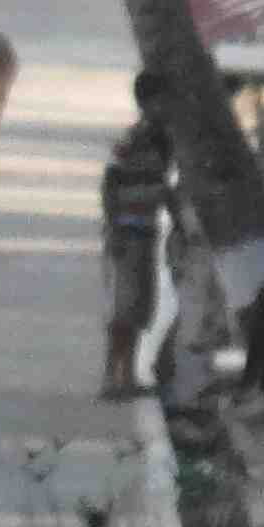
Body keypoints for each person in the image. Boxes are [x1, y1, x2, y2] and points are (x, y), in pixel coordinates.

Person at [98, 74, 178, 401]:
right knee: (124, 308)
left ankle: (128, 376)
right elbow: (110, 184)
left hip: (147, 231)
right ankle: (110, 377)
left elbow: (163, 189)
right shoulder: (133, 139)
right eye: (160, 101)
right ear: (146, 103)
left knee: (141, 308)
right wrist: (114, 228)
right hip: (126, 231)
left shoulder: (165, 142)